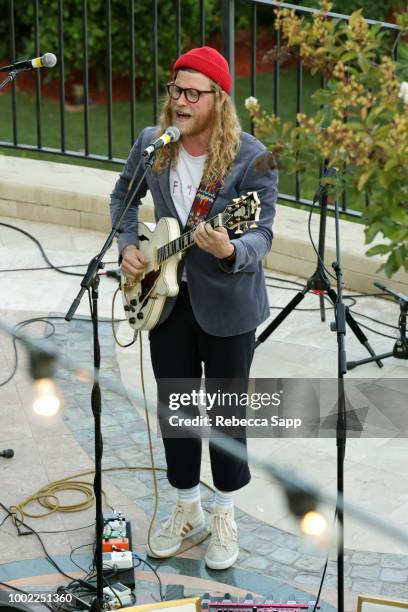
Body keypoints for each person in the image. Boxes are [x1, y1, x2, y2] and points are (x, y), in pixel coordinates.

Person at [110, 46, 277, 571]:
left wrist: (230, 251)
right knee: (175, 409)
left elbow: (263, 233)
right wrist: (128, 245)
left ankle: (224, 513)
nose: (179, 102)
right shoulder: (153, 144)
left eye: (191, 93)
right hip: (165, 300)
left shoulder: (251, 158)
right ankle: (188, 508)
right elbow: (121, 198)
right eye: (174, 90)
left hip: (228, 304)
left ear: (217, 100)